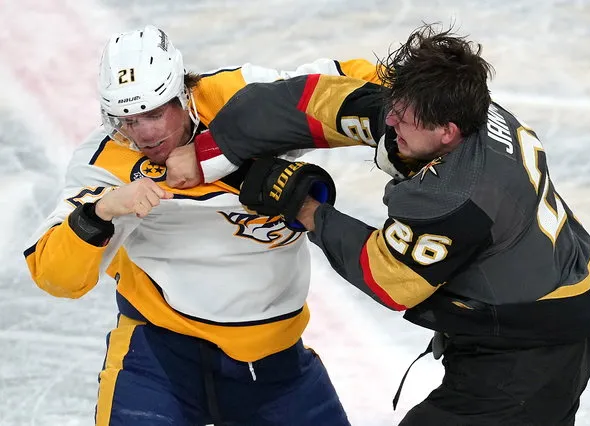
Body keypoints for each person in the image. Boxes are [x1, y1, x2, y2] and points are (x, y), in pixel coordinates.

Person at [182, 23, 590, 425]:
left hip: (527, 359)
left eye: (402, 120)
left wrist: (307, 210)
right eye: (394, 107)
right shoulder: (456, 108)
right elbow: (317, 102)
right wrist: (212, 149)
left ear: (446, 132)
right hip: (536, 311)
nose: (390, 121)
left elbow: (387, 277)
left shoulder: (455, 197)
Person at [23, 25, 381, 426]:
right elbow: (53, 276)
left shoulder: (242, 95)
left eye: (155, 113)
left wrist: (432, 104)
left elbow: (345, 86)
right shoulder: (105, 161)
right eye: (127, 119)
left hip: (276, 365)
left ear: (183, 95)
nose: (144, 134)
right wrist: (101, 212)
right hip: (159, 361)